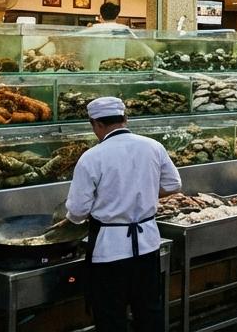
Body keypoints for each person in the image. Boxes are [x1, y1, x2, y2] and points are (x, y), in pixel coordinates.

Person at [63, 97, 181, 331]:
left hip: (110, 251)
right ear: (125, 119)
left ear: (95, 124)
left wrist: (94, 210)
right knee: (149, 311)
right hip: (148, 244)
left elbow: (77, 211)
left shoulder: (91, 157)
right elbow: (173, 184)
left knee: (111, 317)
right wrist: (143, 195)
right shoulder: (153, 146)